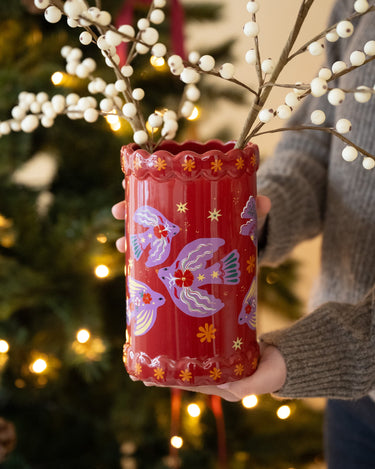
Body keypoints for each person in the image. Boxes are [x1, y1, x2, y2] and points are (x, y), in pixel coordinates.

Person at [113, 0, 375, 466]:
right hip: (352, 399)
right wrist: (249, 221)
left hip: (351, 356)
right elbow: (316, 146)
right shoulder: (358, 7)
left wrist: (339, 350)